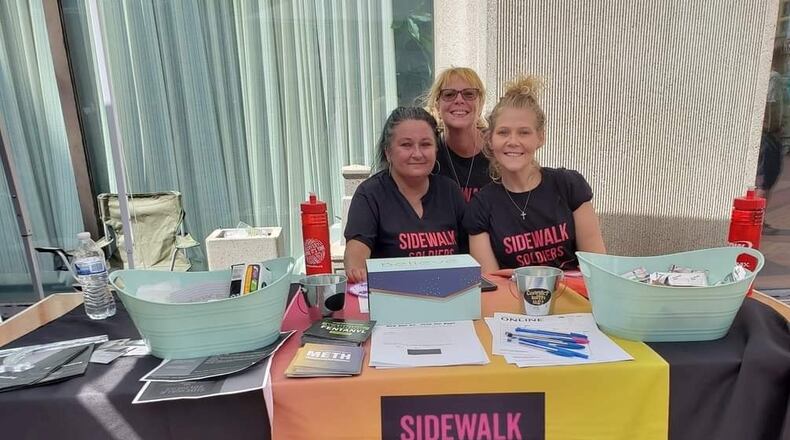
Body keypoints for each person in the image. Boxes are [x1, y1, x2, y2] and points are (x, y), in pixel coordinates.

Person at [463, 75, 606, 273]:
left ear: (541, 137)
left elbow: (596, 268)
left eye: (524, 132)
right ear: (490, 139)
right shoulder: (481, 206)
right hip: (512, 303)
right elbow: (493, 283)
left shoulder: (568, 186)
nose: (513, 141)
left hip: (577, 301)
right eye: (503, 132)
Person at [343, 107, 467, 283]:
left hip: (450, 295)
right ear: (388, 151)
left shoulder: (450, 191)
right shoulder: (370, 194)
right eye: (406, 145)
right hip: (392, 299)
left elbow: (473, 255)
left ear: (436, 150)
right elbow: (355, 260)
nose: (417, 154)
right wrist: (357, 272)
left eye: (425, 144)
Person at [424, 67, 492, 202]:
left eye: (469, 94)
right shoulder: (426, 151)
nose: (459, 100)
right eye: (449, 94)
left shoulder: (497, 148)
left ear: (481, 103)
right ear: (437, 105)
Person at [756, 49, 786, 233]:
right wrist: (773, 128)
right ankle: (758, 222)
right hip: (770, 135)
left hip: (768, 134)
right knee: (766, 179)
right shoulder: (774, 77)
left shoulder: (770, 76)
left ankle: (760, 220)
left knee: (765, 178)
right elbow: (771, 104)